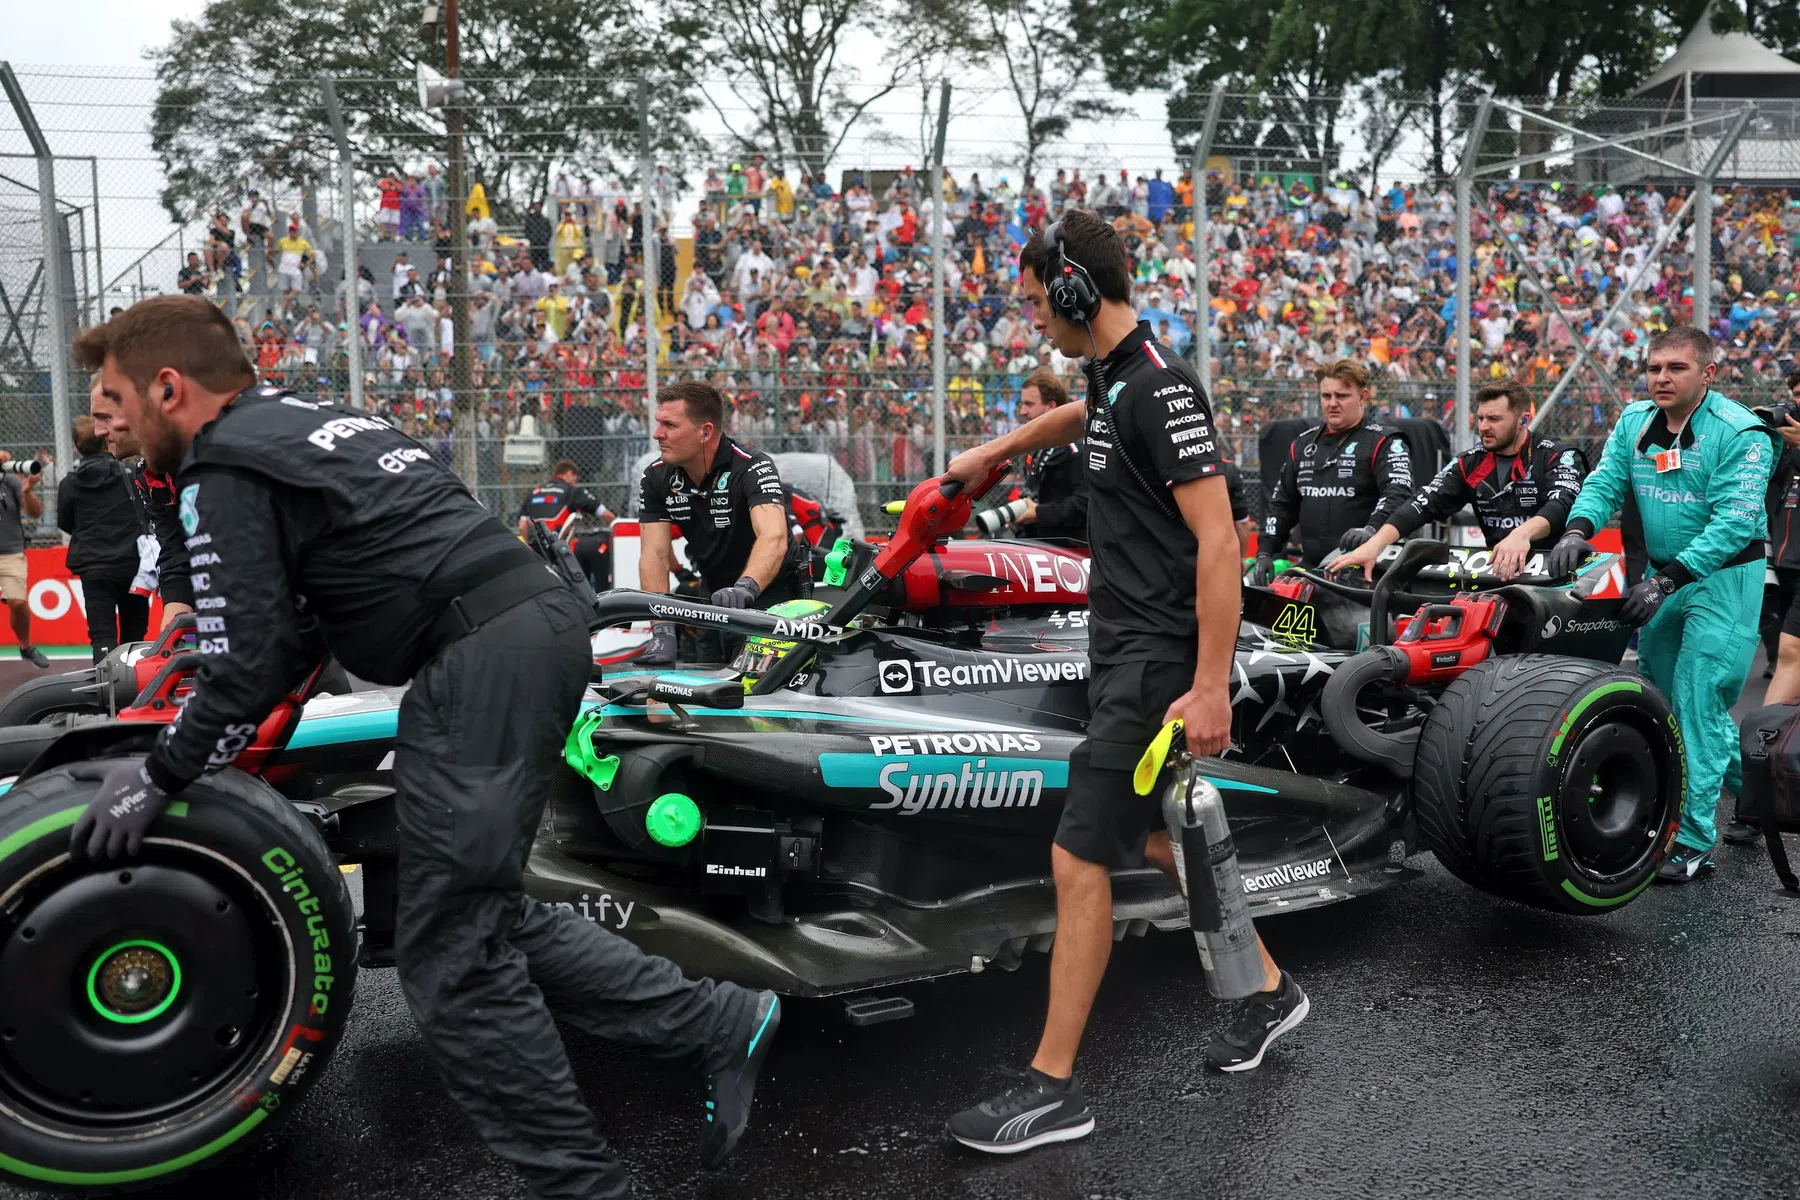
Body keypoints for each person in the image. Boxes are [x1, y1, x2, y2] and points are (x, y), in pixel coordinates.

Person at [69, 296, 779, 1200]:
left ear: (168, 388)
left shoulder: (223, 463)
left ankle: (583, 1188)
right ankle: (720, 1020)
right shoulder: (309, 416)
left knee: (452, 960)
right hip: (516, 638)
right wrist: (223, 750)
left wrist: (158, 774)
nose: (112, 422)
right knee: (479, 910)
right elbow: (290, 637)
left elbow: (246, 664)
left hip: (482, 655)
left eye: (117, 399)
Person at [940, 210, 1307, 1154]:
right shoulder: (1112, 378)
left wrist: (1213, 684)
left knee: (1078, 858)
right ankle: (1268, 990)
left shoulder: (1162, 387)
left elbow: (1222, 541)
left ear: (1074, 291)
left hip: (1155, 660)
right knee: (1149, 838)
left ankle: (1053, 1089)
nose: (1033, 322)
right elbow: (1086, 416)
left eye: (1037, 304)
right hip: (1119, 646)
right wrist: (997, 452)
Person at [1548, 326, 1777, 884]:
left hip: (1724, 580)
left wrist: (1665, 582)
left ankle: (1693, 841)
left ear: (1708, 374)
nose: (1662, 378)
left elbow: (1734, 524)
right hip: (1664, 577)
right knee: (1667, 699)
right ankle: (1764, 796)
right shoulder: (1634, 421)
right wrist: (1577, 530)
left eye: (1676, 368)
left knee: (1700, 700)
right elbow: (1604, 483)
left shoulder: (1743, 432)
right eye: (1654, 368)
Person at [1330, 379, 1588, 581]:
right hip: (1500, 574)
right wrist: (1374, 544)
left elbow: (1563, 503)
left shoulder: (1556, 455)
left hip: (1558, 573)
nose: (1484, 427)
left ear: (1523, 420)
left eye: (1495, 419)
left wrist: (1522, 534)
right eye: (1481, 418)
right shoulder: (1471, 461)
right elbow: (1422, 503)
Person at [635, 381, 801, 666]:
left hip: (773, 594)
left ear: (705, 432)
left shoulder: (752, 465)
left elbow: (773, 537)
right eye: (658, 423)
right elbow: (655, 555)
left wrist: (746, 587)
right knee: (702, 684)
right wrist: (661, 628)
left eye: (670, 425)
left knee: (754, 693)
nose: (657, 434)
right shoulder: (656, 478)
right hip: (712, 592)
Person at [1252, 359, 1413, 580]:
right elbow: (1281, 505)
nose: (1332, 403)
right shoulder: (1302, 445)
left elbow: (1399, 494)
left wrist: (1372, 530)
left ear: (1362, 397)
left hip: (1366, 569)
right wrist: (1265, 552)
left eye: (1342, 396)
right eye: (1326, 396)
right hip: (1312, 568)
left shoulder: (1384, 441)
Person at [89, 373, 195, 631]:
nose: (97, 431)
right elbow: (175, 553)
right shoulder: (147, 474)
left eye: (105, 418)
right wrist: (173, 634)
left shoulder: (203, 452)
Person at [56, 415, 147, 661]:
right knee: (135, 633)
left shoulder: (70, 483)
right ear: (106, 441)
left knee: (102, 636)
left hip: (93, 566)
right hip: (132, 563)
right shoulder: (129, 473)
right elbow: (145, 511)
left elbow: (65, 523)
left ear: (76, 445)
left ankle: (107, 694)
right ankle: (139, 691)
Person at [1012, 368, 1088, 542]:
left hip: (1069, 554)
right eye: (1021, 404)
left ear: (1051, 407)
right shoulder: (1037, 448)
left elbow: (1085, 504)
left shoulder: (1075, 449)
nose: (1022, 411)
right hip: (1040, 548)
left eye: (1029, 404)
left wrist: (1038, 513)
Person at [0, 447, 47, 668]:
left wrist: (27, 491)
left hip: (11, 552)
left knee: (18, 602)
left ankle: (26, 647)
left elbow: (36, 513)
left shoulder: (9, 481)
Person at [518, 458, 613, 536]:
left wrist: (529, 547)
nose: (575, 483)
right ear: (569, 474)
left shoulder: (534, 493)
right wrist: (616, 526)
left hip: (536, 545)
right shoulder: (572, 491)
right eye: (575, 479)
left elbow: (522, 526)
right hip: (559, 546)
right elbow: (606, 514)